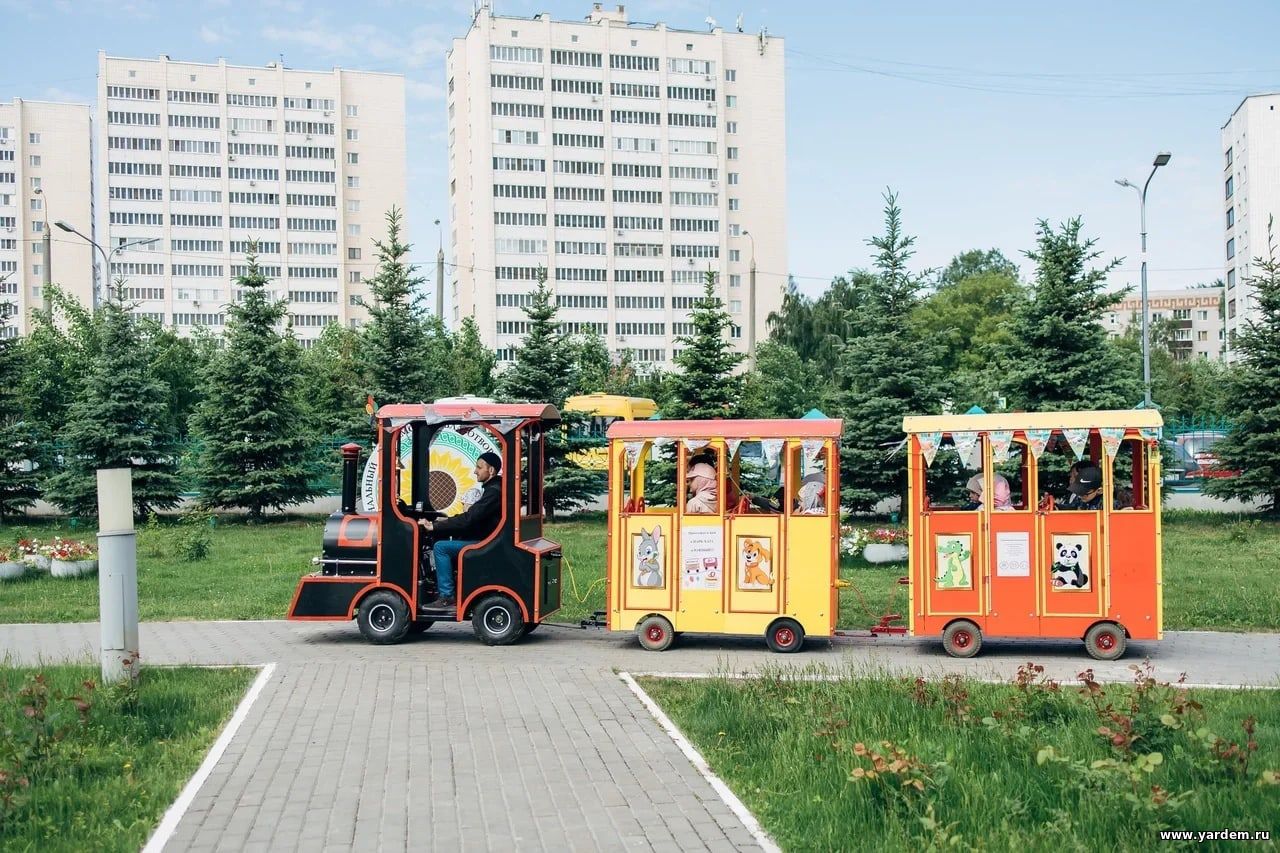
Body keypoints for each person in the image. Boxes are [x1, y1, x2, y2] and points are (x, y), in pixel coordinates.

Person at [417, 451, 503, 607]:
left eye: (479, 467)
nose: (475, 471)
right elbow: (472, 516)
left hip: (486, 542)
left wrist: (434, 526)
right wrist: (441, 521)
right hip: (489, 538)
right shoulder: (494, 489)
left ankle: (446, 596)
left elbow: (469, 519)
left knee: (440, 548)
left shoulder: (493, 492)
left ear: (491, 470)